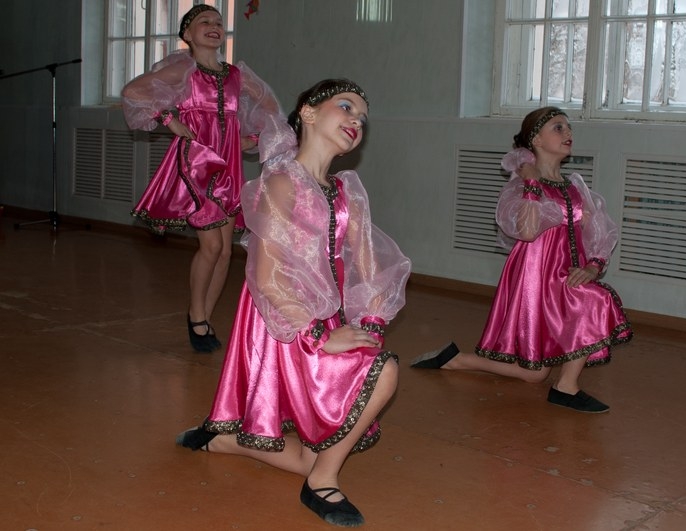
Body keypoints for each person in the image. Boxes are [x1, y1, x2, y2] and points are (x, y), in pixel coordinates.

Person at [175, 79, 411, 527]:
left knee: (313, 448)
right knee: (386, 373)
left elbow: (370, 267)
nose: (356, 121)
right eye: (346, 107)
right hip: (282, 324)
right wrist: (318, 335)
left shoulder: (347, 192)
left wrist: (372, 320)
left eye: (362, 118)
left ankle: (224, 440)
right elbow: (267, 276)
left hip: (322, 320)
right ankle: (322, 482)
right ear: (308, 112)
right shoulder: (282, 183)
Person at [412, 107, 632, 413]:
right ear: (536, 140)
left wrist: (593, 265)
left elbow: (598, 231)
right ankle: (565, 388)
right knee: (594, 301)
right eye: (558, 127)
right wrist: (531, 184)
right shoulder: (520, 185)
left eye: (569, 127)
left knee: (534, 374)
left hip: (566, 272)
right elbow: (527, 233)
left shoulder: (574, 187)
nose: (568, 133)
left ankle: (455, 359)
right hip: (537, 275)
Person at [121, 4, 280, 353]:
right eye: (204, 21)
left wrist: (251, 138)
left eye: (219, 22)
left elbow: (270, 109)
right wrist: (169, 120)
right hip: (197, 163)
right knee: (210, 246)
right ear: (187, 34)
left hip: (229, 165)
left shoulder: (236, 74)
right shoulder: (183, 69)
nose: (213, 25)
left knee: (224, 250)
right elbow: (134, 92)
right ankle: (196, 315)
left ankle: (205, 317)